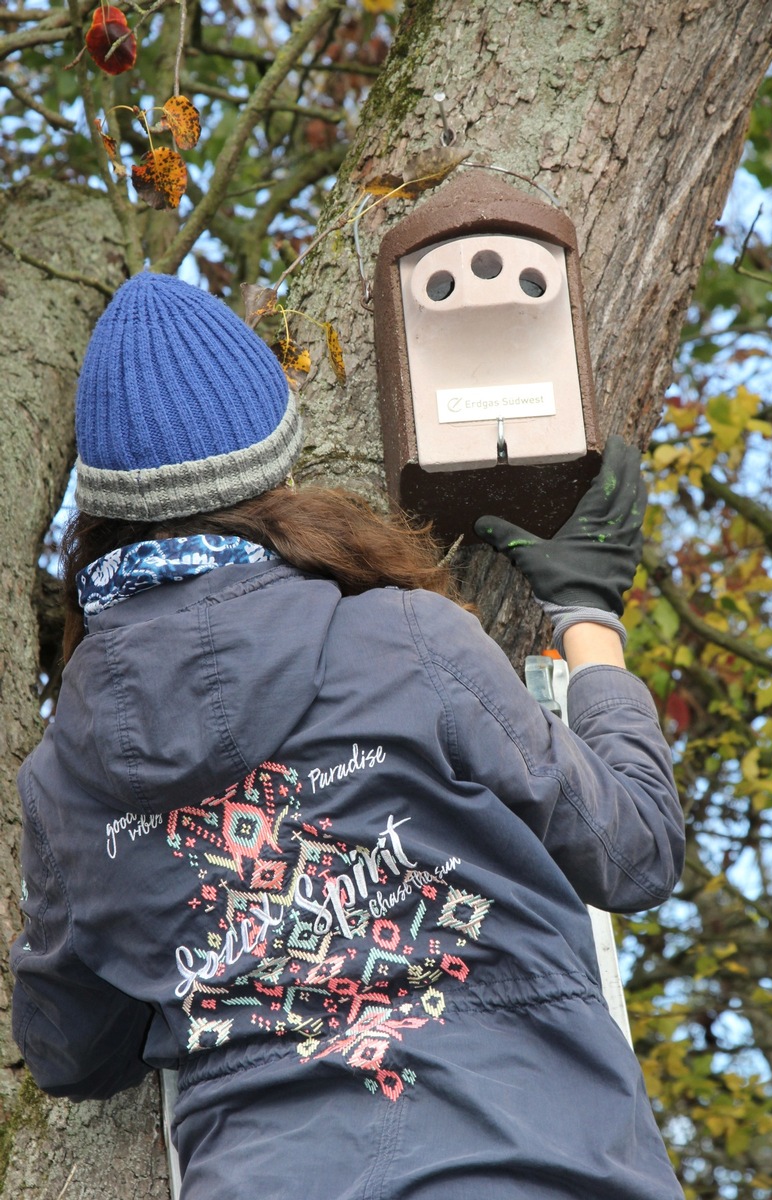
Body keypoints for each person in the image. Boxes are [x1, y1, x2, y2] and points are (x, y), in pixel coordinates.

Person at [11, 271, 685, 1200]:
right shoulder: (408, 637)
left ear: (99, 514)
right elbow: (636, 849)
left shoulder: (62, 779)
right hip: (537, 1165)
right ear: (277, 473)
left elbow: (69, 1053)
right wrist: (589, 620)